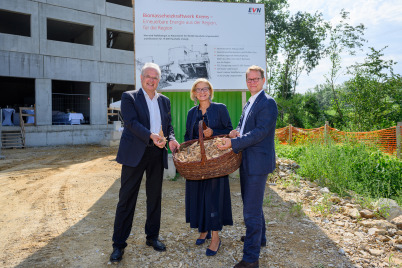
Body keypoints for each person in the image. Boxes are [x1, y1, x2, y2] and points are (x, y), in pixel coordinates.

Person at [110, 62, 180, 263]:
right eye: (148, 76)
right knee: (126, 199)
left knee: (154, 197)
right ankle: (118, 245)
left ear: (159, 80)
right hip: (134, 154)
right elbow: (131, 123)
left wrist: (172, 138)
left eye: (155, 77)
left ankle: (152, 237)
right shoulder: (129, 97)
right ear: (141, 78)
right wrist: (151, 136)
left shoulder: (164, 101)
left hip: (156, 154)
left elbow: (168, 126)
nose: (152, 80)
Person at [217, 65, 278, 268]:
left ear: (263, 80)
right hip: (248, 160)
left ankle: (251, 259)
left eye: (256, 79)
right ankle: (259, 239)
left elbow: (260, 132)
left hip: (257, 163)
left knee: (250, 211)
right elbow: (247, 128)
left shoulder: (268, 103)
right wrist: (236, 132)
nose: (252, 82)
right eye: (249, 79)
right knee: (252, 204)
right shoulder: (250, 102)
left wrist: (233, 143)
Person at [184, 78, 233, 256]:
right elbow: (187, 136)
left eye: (205, 89)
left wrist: (214, 133)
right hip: (196, 163)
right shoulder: (191, 112)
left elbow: (229, 130)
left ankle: (215, 237)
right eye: (198, 89)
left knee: (214, 197)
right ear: (194, 93)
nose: (202, 92)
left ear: (210, 91)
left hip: (215, 162)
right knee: (197, 195)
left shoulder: (220, 108)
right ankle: (203, 229)